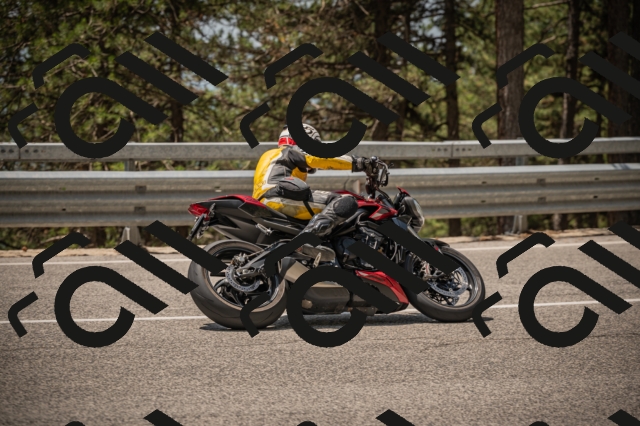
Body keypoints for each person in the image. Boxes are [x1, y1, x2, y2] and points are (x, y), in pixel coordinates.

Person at [252, 124, 374, 260]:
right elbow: (320, 158)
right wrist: (359, 162)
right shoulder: (290, 152)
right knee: (344, 201)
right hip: (280, 197)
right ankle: (307, 240)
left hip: (265, 201)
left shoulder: (270, 155)